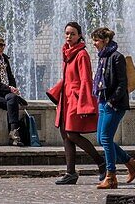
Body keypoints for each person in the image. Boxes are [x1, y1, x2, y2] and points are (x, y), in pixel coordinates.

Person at [47, 22, 104, 185]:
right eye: (66, 33)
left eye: (72, 34)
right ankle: (70, 173)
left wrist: (85, 103)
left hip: (75, 98)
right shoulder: (66, 52)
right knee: (65, 135)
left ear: (79, 35)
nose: (69, 37)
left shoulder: (81, 54)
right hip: (66, 98)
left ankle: (101, 163)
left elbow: (86, 79)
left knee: (72, 133)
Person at [91, 27, 135, 189]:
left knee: (106, 138)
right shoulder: (103, 57)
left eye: (96, 40)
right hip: (103, 102)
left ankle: (111, 176)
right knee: (101, 138)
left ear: (105, 40)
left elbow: (122, 84)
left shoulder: (116, 57)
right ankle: (130, 163)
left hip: (114, 104)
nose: (94, 44)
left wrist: (112, 102)